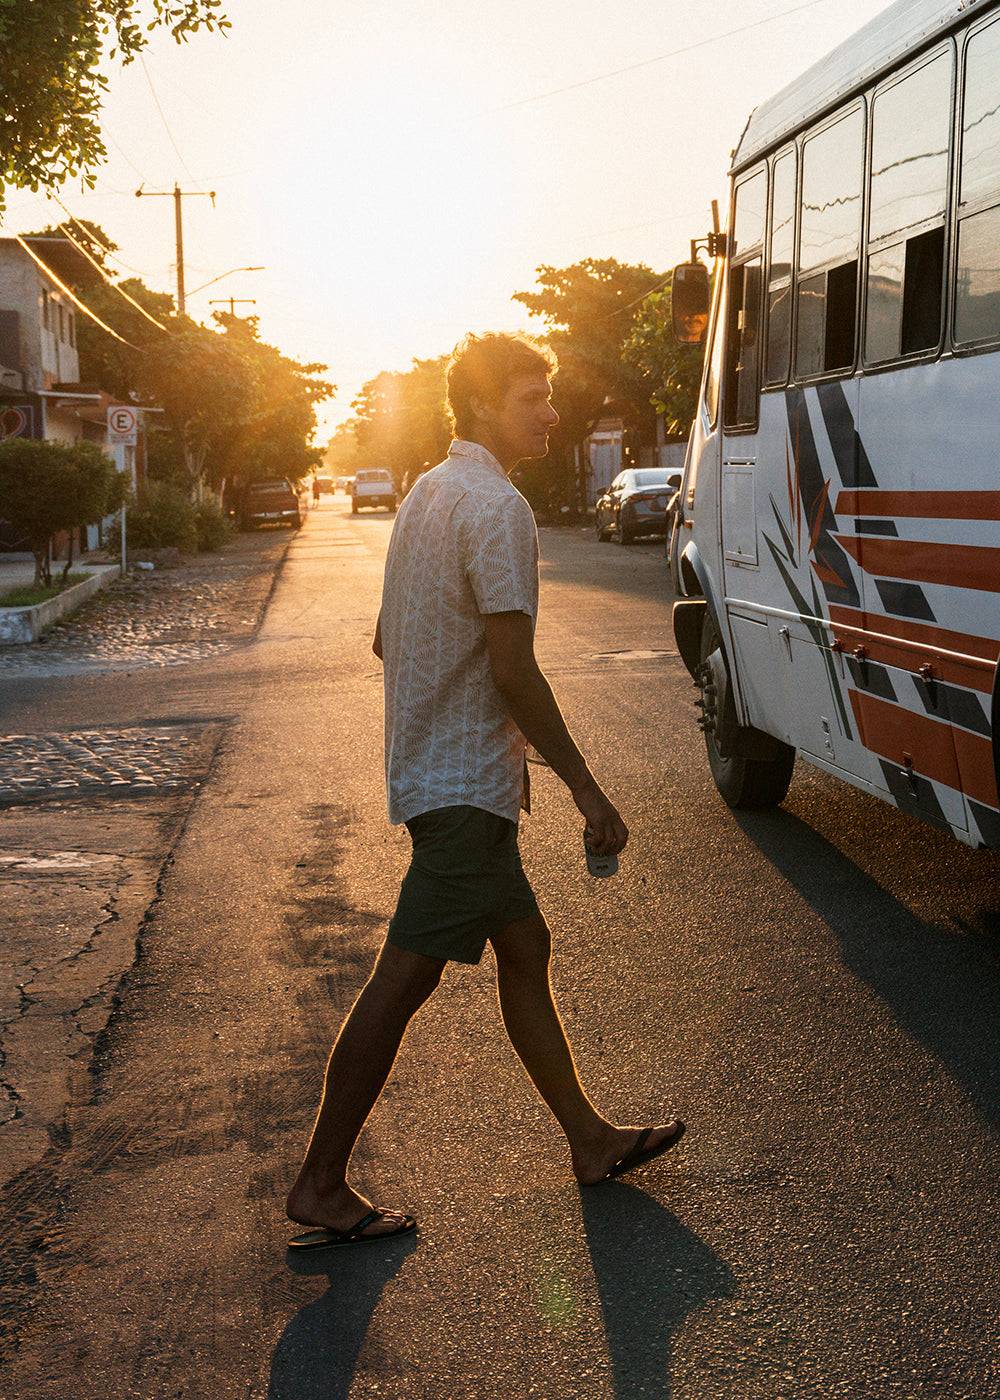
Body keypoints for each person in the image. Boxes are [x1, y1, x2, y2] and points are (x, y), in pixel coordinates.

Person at [286, 332, 684, 1250]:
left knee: (525, 944)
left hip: (440, 775)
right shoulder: (498, 506)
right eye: (531, 397)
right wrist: (587, 789)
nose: (551, 412)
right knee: (402, 982)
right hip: (464, 790)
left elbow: (389, 639)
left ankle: (589, 1139)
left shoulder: (427, 492)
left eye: (548, 394)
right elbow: (513, 669)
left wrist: (447, 712)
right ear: (479, 406)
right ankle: (320, 1182)